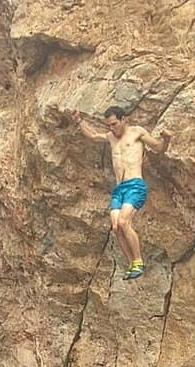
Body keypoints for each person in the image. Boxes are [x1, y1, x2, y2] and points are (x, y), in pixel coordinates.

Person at [71, 106, 172, 280]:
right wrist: (79, 121)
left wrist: (167, 139)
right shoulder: (111, 137)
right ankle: (132, 264)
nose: (112, 128)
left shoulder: (136, 132)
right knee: (116, 226)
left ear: (124, 119)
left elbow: (159, 147)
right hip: (119, 189)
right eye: (109, 125)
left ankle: (139, 262)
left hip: (135, 185)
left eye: (115, 124)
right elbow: (94, 136)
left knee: (125, 222)